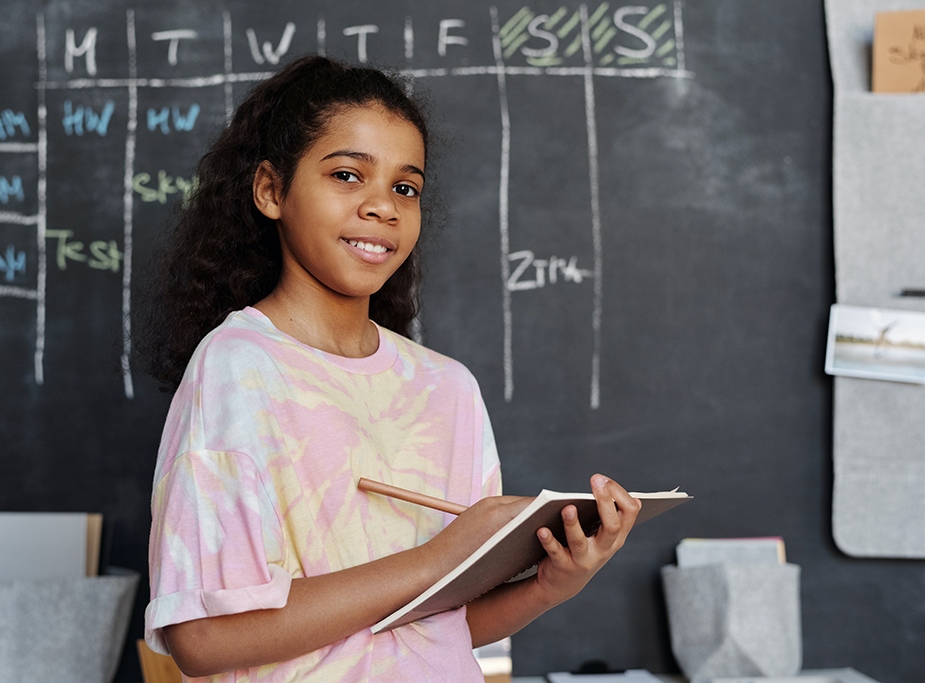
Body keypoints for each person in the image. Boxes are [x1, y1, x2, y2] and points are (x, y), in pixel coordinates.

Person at [139, 55, 641, 682]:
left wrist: (549, 585)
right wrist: (437, 559)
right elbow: (203, 640)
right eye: (348, 175)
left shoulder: (448, 388)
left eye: (405, 188)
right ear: (271, 190)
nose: (383, 207)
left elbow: (444, 626)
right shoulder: (236, 371)